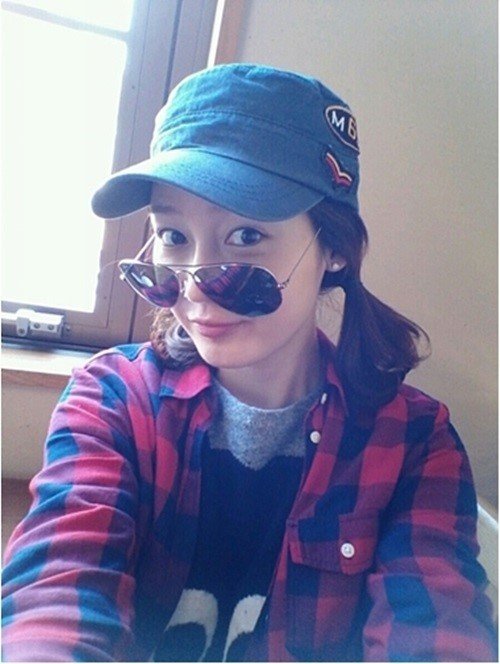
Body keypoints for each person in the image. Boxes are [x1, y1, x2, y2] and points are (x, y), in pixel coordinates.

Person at [2, 63, 496, 662]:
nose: (195, 287)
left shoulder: (414, 443)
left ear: (335, 250)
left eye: (245, 237)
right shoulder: (111, 400)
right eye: (173, 236)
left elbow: (434, 631)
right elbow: (55, 591)